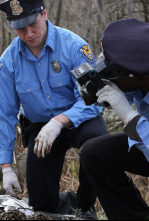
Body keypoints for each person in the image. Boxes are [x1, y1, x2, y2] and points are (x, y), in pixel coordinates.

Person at [0, 0, 108, 219]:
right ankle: (66, 202)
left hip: (79, 119)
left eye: (33, 24)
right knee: (42, 205)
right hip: (40, 129)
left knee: (97, 145)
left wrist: (60, 121)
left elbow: (93, 99)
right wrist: (6, 167)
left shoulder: (74, 46)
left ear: (45, 14)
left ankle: (85, 207)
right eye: (20, 28)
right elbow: (5, 113)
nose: (29, 33)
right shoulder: (8, 60)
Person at [80, 18, 149, 220]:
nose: (109, 75)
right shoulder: (138, 71)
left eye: (113, 73)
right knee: (94, 153)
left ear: (140, 76)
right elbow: (122, 90)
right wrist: (98, 91)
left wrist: (129, 116)